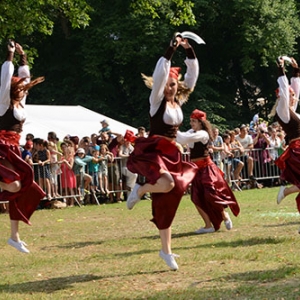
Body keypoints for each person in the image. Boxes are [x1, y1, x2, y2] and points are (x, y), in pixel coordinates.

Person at [127, 34, 199, 270]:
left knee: (169, 197)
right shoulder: (156, 101)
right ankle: (141, 188)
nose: (170, 87)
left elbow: (192, 77)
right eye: (168, 83)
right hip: (155, 151)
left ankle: (165, 250)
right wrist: (171, 49)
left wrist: (189, 51)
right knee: (167, 183)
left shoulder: (178, 105)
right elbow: (159, 75)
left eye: (173, 84)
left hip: (172, 153)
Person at [0, 40, 45, 253]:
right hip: (2, 147)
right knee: (15, 187)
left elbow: (25, 78)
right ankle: (14, 236)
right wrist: (9, 56)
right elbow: (4, 79)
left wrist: (23, 57)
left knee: (20, 189)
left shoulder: (21, 104)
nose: (23, 90)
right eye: (19, 88)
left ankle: (14, 236)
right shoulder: (3, 103)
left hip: (13, 148)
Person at [177, 109, 240, 234]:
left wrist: (172, 126)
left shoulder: (203, 134)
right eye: (190, 121)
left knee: (210, 194)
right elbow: (181, 138)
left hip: (206, 168)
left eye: (194, 121)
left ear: (201, 122)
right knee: (195, 197)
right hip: (195, 169)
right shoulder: (191, 132)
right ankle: (208, 225)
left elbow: (183, 138)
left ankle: (224, 214)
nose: (191, 124)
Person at [270, 57, 300, 215]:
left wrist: (295, 71)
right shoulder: (283, 112)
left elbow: (295, 90)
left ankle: (286, 191)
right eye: (291, 95)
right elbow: (284, 89)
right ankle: (286, 191)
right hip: (297, 151)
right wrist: (281, 68)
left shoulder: (292, 110)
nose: (294, 96)